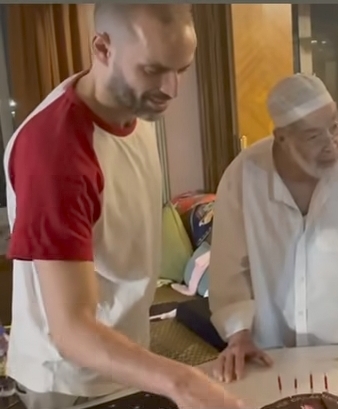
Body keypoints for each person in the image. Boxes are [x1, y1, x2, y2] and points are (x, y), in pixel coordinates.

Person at [4, 5, 245, 409]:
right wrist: (183, 382)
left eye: (181, 69)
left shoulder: (137, 110)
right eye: (153, 69)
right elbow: (71, 328)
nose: (171, 89)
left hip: (125, 357)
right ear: (102, 48)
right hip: (68, 379)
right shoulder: (54, 153)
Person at [208, 74, 338, 383]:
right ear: (281, 138)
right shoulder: (244, 175)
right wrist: (239, 335)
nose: (332, 143)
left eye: (335, 126)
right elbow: (229, 267)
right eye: (314, 136)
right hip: (270, 351)